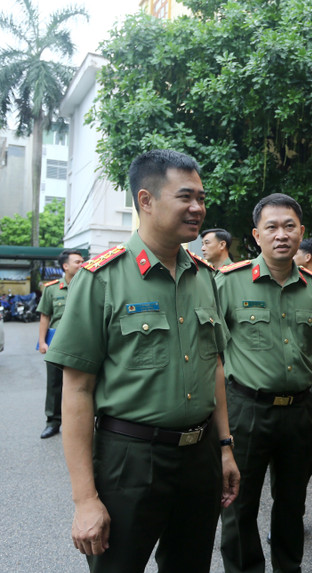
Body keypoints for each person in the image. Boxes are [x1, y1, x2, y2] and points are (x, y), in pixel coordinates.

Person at [44, 149, 240, 572]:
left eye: (202, 198)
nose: (198, 208)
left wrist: (224, 448)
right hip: (128, 459)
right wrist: (85, 499)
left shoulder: (206, 277)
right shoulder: (101, 279)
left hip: (199, 456)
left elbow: (215, 368)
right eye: (186, 196)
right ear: (146, 200)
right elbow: (76, 390)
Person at [217, 193, 312, 573]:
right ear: (257, 235)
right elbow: (214, 357)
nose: (281, 234)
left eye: (289, 226)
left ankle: (290, 567)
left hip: (299, 414)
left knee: (292, 503)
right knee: (239, 503)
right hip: (246, 411)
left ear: (301, 232)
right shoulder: (229, 283)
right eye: (271, 227)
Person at [36, 248, 85, 439]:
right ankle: (53, 422)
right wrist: (42, 342)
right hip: (56, 344)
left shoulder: (87, 284)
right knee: (55, 384)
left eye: (82, 261)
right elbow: (45, 316)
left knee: (83, 384)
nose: (82, 264)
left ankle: (82, 422)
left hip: (83, 343)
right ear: (65, 266)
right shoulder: (51, 288)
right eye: (77, 262)